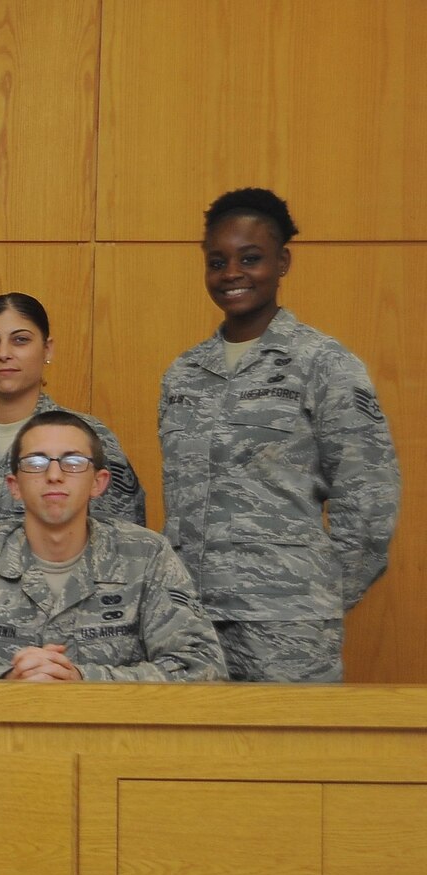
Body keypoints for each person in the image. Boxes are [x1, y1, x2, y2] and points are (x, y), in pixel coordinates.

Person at [159, 188, 399, 682]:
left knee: (289, 759)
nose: (231, 274)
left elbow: (370, 499)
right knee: (189, 758)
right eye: (217, 261)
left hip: (289, 629)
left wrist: (317, 595)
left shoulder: (324, 365)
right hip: (189, 623)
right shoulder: (183, 373)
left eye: (251, 259)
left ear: (282, 261)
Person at [0, 411, 225, 682]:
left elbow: (202, 667)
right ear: (14, 485)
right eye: (35, 462)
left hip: (114, 740)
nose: (54, 475)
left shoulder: (146, 555)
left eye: (73, 462)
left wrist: (85, 679)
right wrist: (8, 678)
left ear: (99, 482)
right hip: (1, 738)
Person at [0, 292, 144, 548]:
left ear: (47, 349)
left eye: (20, 340)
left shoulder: (88, 437)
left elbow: (127, 544)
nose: (4, 353)